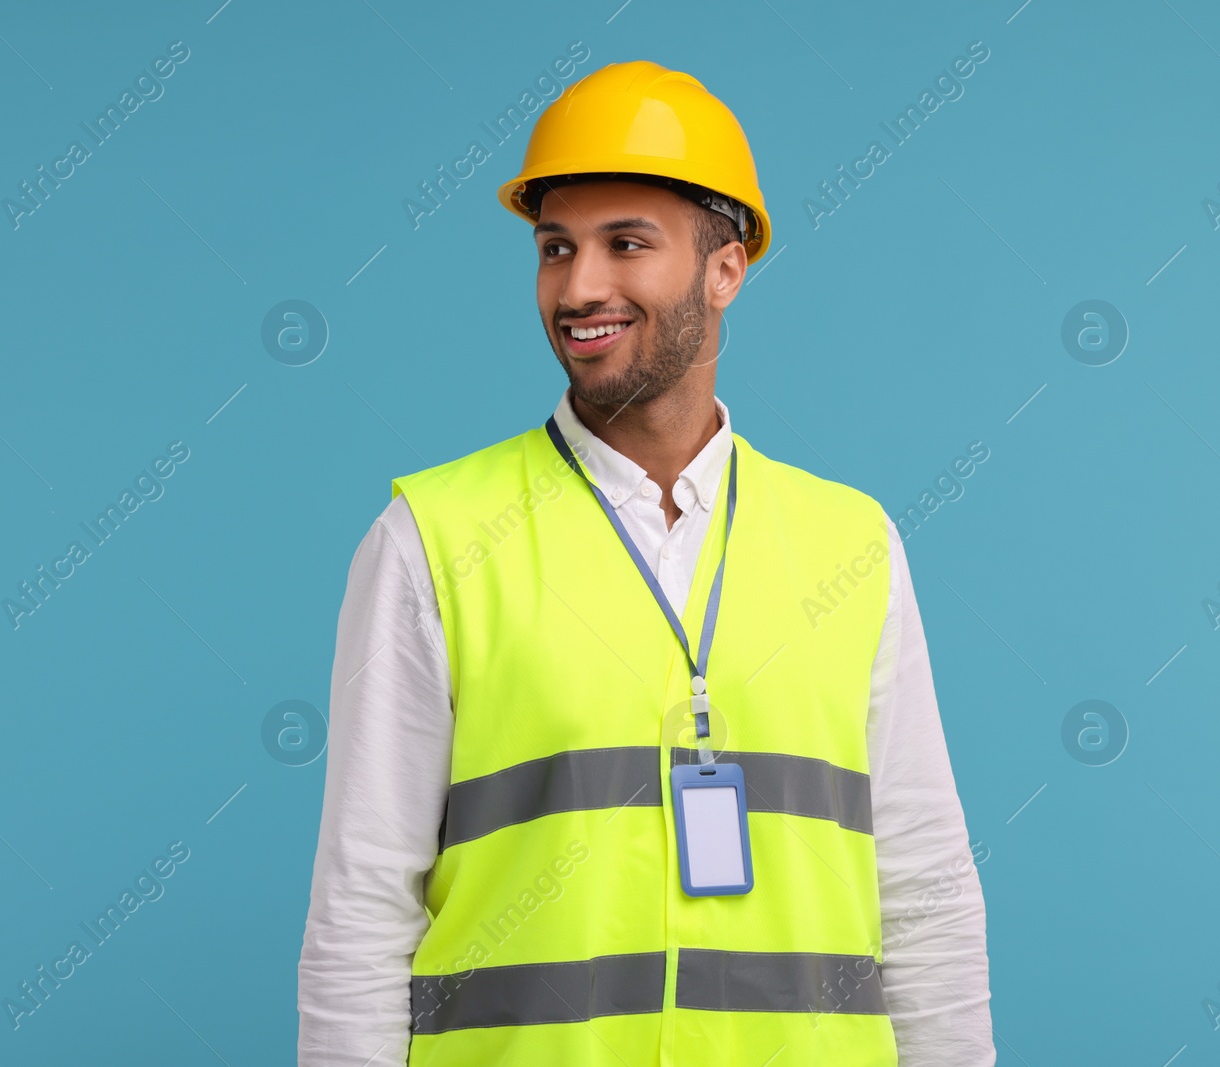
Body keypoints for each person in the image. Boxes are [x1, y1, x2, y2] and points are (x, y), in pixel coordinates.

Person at [298, 60, 993, 1066]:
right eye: (555, 249)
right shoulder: (431, 539)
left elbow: (923, 888)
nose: (579, 287)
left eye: (627, 244)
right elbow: (362, 905)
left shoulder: (853, 544)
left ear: (726, 266)